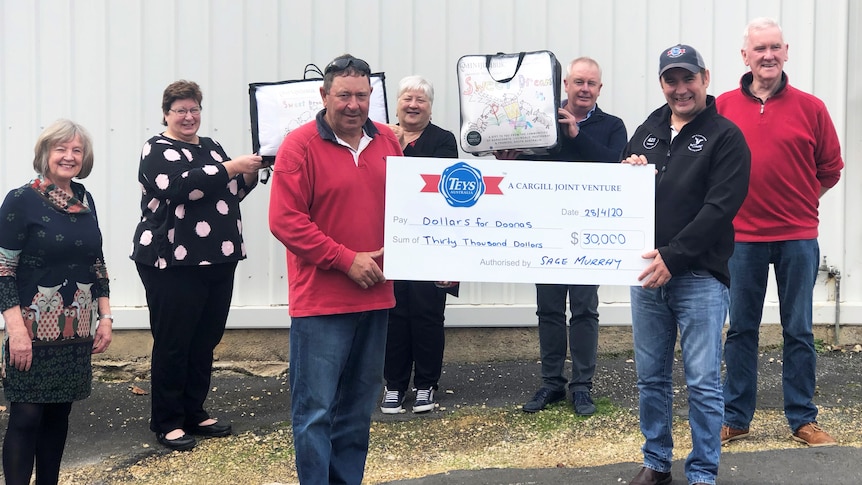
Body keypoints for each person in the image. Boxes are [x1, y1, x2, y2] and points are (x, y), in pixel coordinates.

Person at [268, 54, 403, 484]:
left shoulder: (388, 141)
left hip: (377, 296)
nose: (353, 104)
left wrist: (434, 256)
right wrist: (346, 260)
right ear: (324, 95)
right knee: (315, 413)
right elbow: (285, 220)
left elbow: (411, 211)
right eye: (343, 95)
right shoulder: (299, 145)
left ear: (371, 97)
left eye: (362, 95)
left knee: (357, 412)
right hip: (321, 304)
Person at [622, 45, 750, 485]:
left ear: (705, 78)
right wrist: (629, 172)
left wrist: (672, 258)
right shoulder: (647, 130)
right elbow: (624, 197)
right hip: (645, 275)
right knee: (650, 379)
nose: (680, 89)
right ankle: (656, 462)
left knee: (702, 381)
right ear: (662, 83)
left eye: (687, 78)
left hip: (699, 278)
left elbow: (719, 209)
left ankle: (702, 471)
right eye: (671, 80)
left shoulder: (725, 136)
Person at [717, 18, 844, 448]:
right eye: (759, 49)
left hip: (797, 237)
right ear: (745, 56)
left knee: (799, 329)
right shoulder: (723, 107)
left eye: (775, 47)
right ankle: (735, 417)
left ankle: (802, 418)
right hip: (741, 239)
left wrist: (805, 200)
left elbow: (831, 169)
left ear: (786, 51)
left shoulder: (812, 108)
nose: (767, 55)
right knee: (740, 330)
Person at [131, 80, 263, 451]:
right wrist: (232, 166)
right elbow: (177, 187)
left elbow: (231, 191)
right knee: (175, 342)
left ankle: (194, 410)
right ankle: (167, 421)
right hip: (172, 261)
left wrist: (250, 171)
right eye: (180, 110)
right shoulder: (156, 148)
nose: (188, 117)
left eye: (194, 110)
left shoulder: (210, 147)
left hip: (219, 257)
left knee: (205, 339)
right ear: (166, 114)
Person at [496, 57, 627, 416]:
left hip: (589, 235)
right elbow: (522, 172)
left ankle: (582, 387)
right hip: (546, 233)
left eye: (592, 84)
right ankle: (551, 383)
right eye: (579, 82)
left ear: (600, 89)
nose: (585, 89)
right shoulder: (540, 121)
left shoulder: (612, 126)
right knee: (549, 310)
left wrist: (576, 135)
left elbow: (615, 167)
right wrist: (505, 161)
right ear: (565, 84)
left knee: (585, 311)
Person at [0, 119, 113, 485]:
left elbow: (97, 261)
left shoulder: (85, 198)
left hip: (76, 327)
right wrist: (15, 331)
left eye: (76, 150)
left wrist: (106, 316)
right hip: (31, 329)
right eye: (61, 149)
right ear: (45, 154)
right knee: (26, 417)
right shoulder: (21, 200)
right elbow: (3, 268)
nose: (69, 156)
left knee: (58, 416)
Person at [380, 75, 459, 415]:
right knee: (394, 314)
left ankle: (426, 384)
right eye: (407, 99)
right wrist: (389, 143)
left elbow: (433, 187)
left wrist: (396, 149)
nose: (413, 105)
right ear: (396, 103)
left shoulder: (443, 140)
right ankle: (394, 385)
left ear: (430, 106)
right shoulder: (377, 137)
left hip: (432, 239)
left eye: (420, 100)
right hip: (390, 238)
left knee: (428, 314)